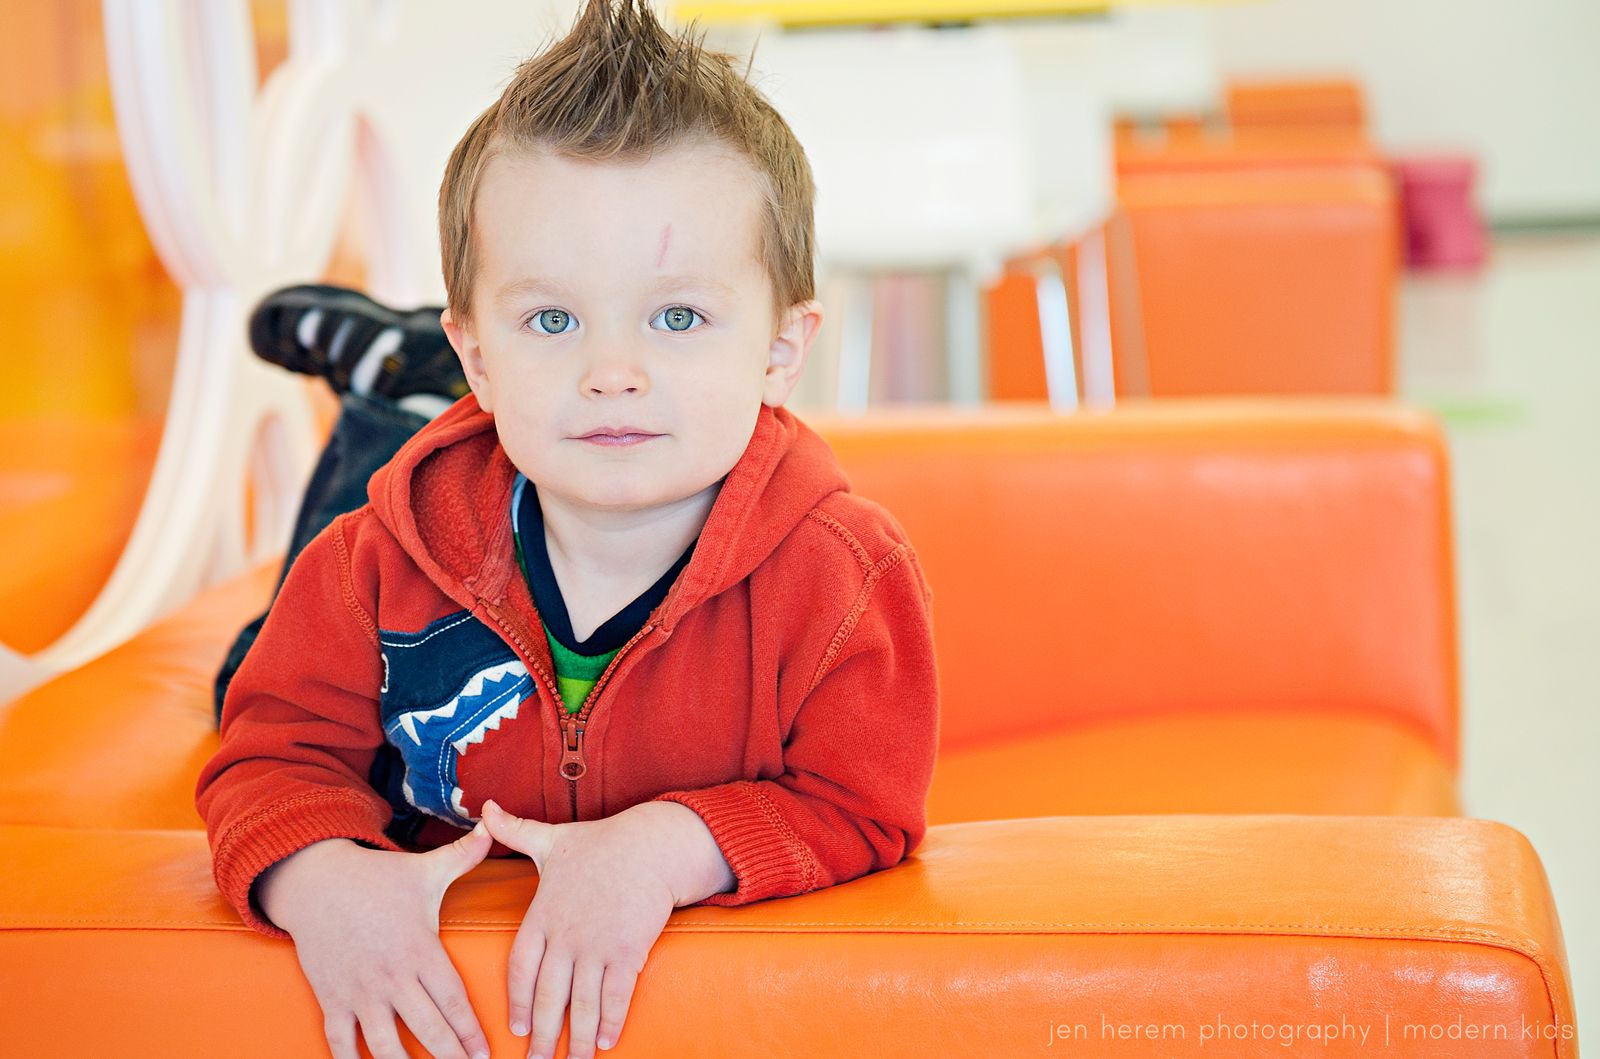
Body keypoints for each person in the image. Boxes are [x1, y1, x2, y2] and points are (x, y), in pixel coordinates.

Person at [194, 4, 940, 1059]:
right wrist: (317, 877)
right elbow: (269, 760)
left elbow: (863, 805)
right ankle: (407, 385)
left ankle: (407, 378)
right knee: (245, 666)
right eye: (552, 319)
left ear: (781, 349)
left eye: (677, 317)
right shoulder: (370, 564)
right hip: (446, 491)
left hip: (505, 438)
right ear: (483, 352)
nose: (611, 371)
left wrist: (663, 847)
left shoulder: (846, 577)